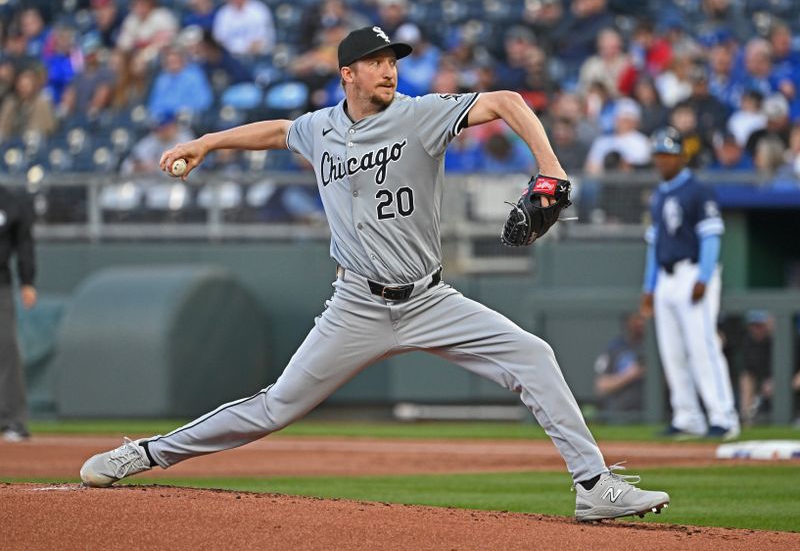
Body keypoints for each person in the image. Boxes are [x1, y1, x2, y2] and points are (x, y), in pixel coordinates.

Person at [80, 26, 669, 522]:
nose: (388, 71)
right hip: (356, 306)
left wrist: (550, 167)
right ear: (348, 75)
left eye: (392, 61)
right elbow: (276, 131)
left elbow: (508, 101)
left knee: (532, 355)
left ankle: (594, 487)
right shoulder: (321, 128)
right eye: (375, 62)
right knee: (274, 407)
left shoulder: (421, 115)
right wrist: (206, 142)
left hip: (429, 299)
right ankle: (148, 454)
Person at [640, 126, 740, 440]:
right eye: (658, 155)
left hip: (692, 271)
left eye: (668, 154)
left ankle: (723, 416)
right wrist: (649, 287)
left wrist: (704, 276)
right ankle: (687, 416)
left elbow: (711, 235)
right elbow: (655, 246)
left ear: (682, 156)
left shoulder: (698, 190)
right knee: (672, 351)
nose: (662, 161)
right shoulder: (659, 194)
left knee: (703, 346)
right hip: (667, 278)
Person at [0, 185, 37, 442]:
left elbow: (24, 242)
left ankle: (13, 421)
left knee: (7, 349)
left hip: (0, 283)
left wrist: (27, 281)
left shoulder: (10, 201)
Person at [593, 312, 646, 421]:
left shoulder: (657, 346)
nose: (641, 323)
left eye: (643, 319)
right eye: (637, 319)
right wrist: (629, 375)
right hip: (620, 414)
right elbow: (601, 386)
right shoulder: (616, 347)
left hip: (648, 413)